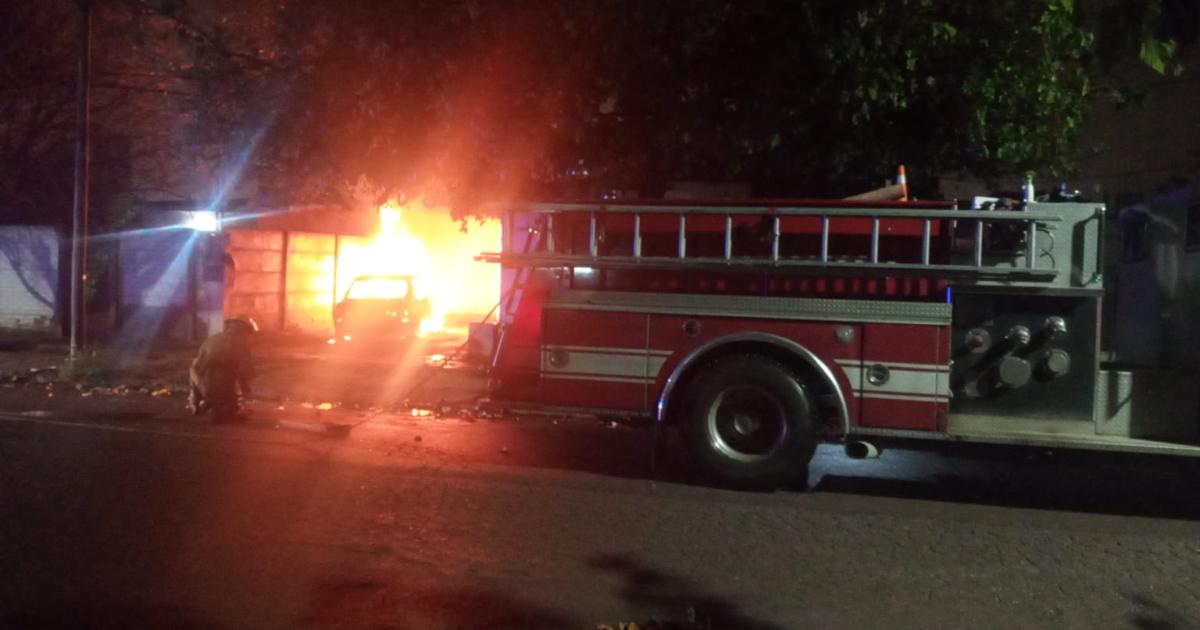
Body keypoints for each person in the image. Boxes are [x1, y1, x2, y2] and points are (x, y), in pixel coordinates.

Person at [188, 314, 258, 418]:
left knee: (198, 370)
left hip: (200, 381)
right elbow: (246, 371)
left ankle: (199, 403)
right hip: (219, 385)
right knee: (230, 412)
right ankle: (214, 402)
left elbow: (197, 368)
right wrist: (246, 390)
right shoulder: (240, 343)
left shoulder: (212, 339)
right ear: (245, 329)